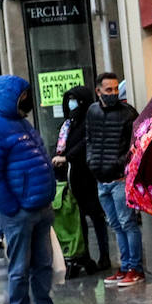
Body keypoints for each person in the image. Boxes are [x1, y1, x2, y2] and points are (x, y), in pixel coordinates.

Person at [0, 75, 77, 304]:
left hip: (40, 208)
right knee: (19, 268)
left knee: (43, 265)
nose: (27, 100)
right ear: (12, 97)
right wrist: (12, 208)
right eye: (23, 96)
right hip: (19, 212)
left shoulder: (22, 124)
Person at [85, 72, 143, 287]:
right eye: (108, 90)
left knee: (127, 223)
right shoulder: (92, 111)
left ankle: (134, 268)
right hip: (101, 179)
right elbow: (89, 138)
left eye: (116, 89)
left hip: (119, 179)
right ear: (98, 91)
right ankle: (125, 265)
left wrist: (120, 164)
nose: (113, 93)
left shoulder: (127, 113)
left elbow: (135, 145)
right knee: (116, 226)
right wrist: (92, 162)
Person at [51, 84, 110, 273]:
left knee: (96, 217)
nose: (71, 103)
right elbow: (63, 144)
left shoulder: (90, 118)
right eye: (68, 99)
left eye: (74, 99)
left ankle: (104, 256)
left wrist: (67, 157)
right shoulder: (70, 122)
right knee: (78, 219)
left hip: (88, 176)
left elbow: (86, 142)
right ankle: (83, 256)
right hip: (72, 178)